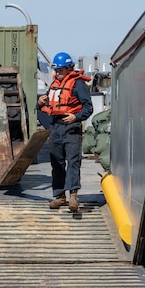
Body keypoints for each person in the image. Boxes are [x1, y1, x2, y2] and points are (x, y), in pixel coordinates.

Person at [37, 52, 93, 212]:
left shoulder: (78, 85)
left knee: (73, 162)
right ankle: (60, 196)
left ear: (69, 68)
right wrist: (39, 103)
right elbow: (45, 106)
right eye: (56, 69)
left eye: (61, 69)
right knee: (57, 163)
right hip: (55, 128)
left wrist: (75, 117)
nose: (58, 72)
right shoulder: (54, 85)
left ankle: (73, 196)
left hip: (71, 128)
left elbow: (88, 108)